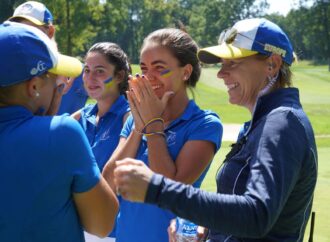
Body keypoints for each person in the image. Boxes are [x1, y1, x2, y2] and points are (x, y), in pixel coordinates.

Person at [112, 18, 318, 242]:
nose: (221, 73)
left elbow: (258, 215)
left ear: (273, 65)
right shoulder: (264, 122)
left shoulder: (281, 123)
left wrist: (156, 188)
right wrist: (209, 227)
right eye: (222, 63)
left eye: (233, 62)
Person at [0, 22, 118, 242]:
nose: (60, 84)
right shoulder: (61, 133)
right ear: (33, 87)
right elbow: (102, 224)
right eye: (52, 76)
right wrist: (48, 125)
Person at [102, 28, 223, 242]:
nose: (148, 77)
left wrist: (153, 127)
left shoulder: (204, 124)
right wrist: (139, 127)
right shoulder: (135, 120)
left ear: (185, 72)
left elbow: (171, 189)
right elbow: (109, 182)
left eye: (159, 68)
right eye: (145, 68)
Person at [71, 42, 131, 242]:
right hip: (80, 225)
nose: (90, 78)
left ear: (119, 76)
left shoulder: (129, 115)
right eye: (86, 70)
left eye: (99, 71)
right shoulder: (83, 115)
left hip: (115, 231)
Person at [9, 1, 89, 114]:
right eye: (18, 30)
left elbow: (113, 99)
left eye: (31, 31)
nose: (24, 37)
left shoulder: (79, 73)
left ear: (50, 31)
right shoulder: (8, 71)